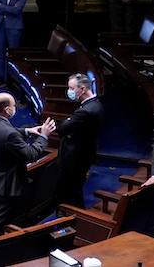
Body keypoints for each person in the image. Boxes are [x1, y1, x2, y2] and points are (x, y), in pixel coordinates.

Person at [0, 92, 54, 239]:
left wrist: (27, 131)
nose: (15, 108)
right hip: (6, 185)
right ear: (7, 109)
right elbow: (31, 154)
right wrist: (44, 136)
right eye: (13, 105)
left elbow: (4, 133)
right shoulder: (9, 134)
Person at [55, 73, 103, 208]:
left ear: (82, 89)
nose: (69, 91)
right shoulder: (95, 103)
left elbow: (63, 127)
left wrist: (67, 122)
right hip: (84, 154)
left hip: (76, 158)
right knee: (74, 190)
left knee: (71, 193)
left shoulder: (86, 111)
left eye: (71, 88)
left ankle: (74, 215)